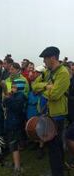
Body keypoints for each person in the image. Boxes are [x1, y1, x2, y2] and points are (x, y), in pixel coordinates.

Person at [32, 46, 70, 176]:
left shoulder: (63, 73)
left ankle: (57, 172)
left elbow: (54, 95)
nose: (44, 62)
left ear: (53, 58)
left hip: (57, 115)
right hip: (47, 113)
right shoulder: (47, 72)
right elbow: (34, 85)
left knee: (54, 146)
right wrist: (46, 86)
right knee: (55, 145)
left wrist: (42, 89)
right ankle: (59, 170)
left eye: (45, 58)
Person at [3, 81, 26, 176]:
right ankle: (15, 162)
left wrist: (8, 99)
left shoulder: (20, 97)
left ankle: (17, 167)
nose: (12, 88)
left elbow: (16, 107)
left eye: (14, 87)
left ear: (19, 88)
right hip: (10, 121)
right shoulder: (14, 96)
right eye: (12, 86)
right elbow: (5, 104)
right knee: (12, 142)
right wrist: (7, 98)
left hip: (15, 123)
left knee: (14, 143)